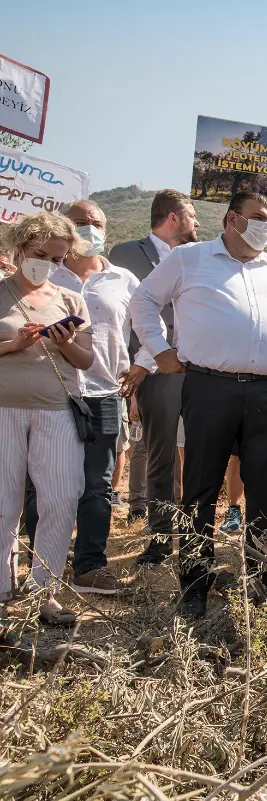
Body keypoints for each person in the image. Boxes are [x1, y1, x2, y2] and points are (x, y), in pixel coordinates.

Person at [132, 191, 267, 620]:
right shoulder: (189, 258)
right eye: (259, 217)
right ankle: (194, 585)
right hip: (209, 388)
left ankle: (264, 578)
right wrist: (159, 351)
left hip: (266, 392)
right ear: (232, 219)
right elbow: (144, 301)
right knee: (201, 488)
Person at [23, 201, 139, 595]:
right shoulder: (44, 275)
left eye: (96, 223)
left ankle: (90, 566)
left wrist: (142, 365)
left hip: (105, 392)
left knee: (97, 486)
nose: (90, 229)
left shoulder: (124, 280)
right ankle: (37, 565)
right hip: (53, 391)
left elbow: (149, 327)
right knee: (42, 482)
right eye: (81, 224)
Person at [0, 212, 93, 626]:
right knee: (3, 506)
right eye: (41, 255)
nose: (49, 265)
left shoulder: (70, 299)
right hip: (3, 410)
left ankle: (47, 592)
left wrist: (66, 344)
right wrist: (12, 343)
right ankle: (2, 591)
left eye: (57, 259)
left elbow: (88, 360)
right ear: (19, 248)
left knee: (59, 499)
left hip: (57, 410)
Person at [108, 189, 199, 560]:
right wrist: (148, 359)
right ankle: (161, 538)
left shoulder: (200, 256)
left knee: (198, 453)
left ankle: (195, 537)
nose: (197, 224)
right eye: (192, 216)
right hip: (153, 370)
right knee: (161, 452)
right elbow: (135, 313)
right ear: (174, 218)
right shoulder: (125, 254)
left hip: (197, 367)